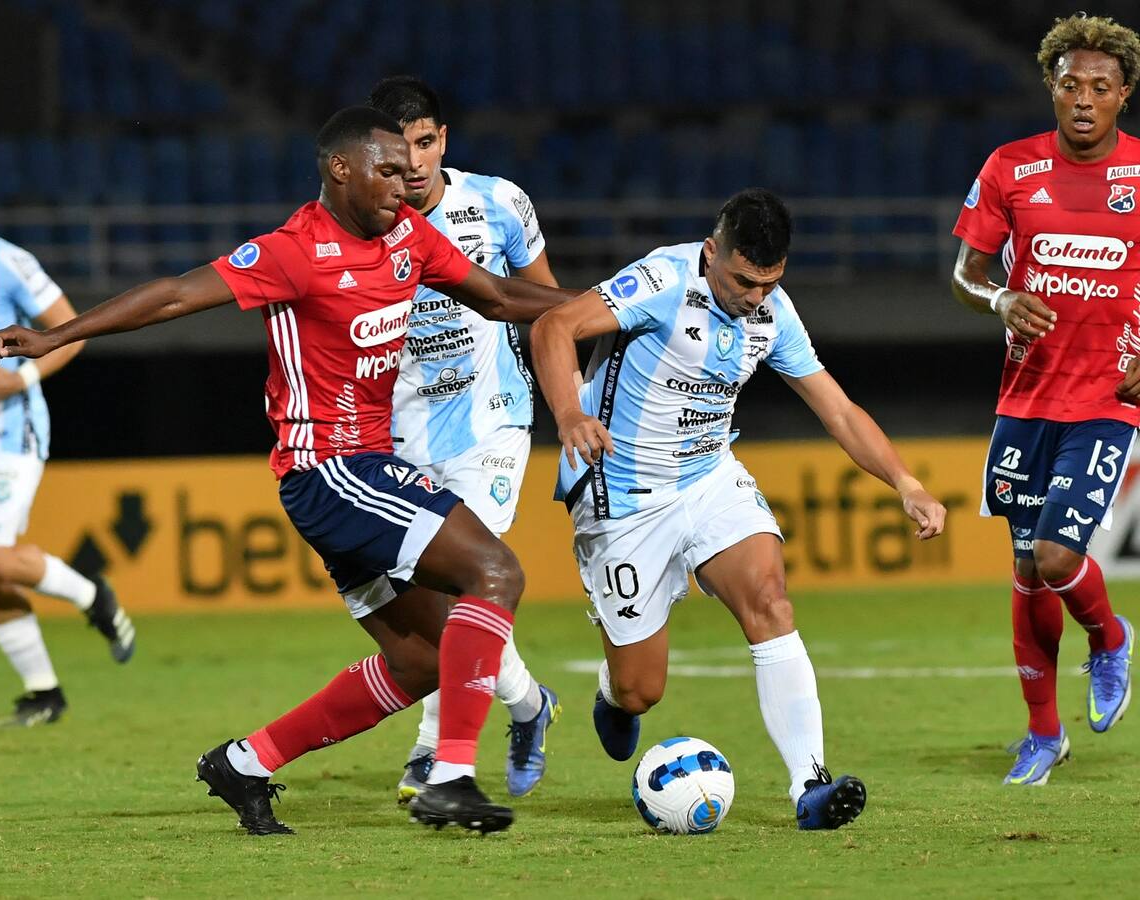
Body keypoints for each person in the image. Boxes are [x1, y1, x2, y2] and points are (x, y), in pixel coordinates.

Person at [0, 107, 575, 835]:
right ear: (341, 169)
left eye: (408, 169)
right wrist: (57, 336)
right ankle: (450, 778)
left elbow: (499, 296)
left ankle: (245, 762)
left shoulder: (406, 236)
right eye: (388, 170)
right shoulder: (295, 251)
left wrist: (607, 309)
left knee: (422, 659)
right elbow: (175, 294)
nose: (405, 183)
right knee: (494, 572)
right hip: (329, 470)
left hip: (364, 469)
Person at [529, 188, 947, 830]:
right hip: (623, 496)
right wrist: (568, 414)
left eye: (769, 283)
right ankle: (615, 697)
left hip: (709, 478)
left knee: (770, 600)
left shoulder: (773, 312)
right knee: (642, 688)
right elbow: (553, 326)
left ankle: (809, 785)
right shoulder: (663, 280)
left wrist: (905, 482)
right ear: (711, 253)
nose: (755, 297)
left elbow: (837, 409)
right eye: (745, 281)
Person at [952, 13, 1139, 787]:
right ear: (1051, 89)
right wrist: (998, 298)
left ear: (1123, 94)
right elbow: (966, 274)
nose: (1084, 99)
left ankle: (1111, 637)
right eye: (1070, 85)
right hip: (1025, 400)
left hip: (1107, 396)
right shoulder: (1010, 167)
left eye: (1100, 86)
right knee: (1028, 568)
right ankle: (1043, 734)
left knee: (1060, 556)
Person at [366, 75, 560, 803]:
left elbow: (549, 309)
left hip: (493, 422)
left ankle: (432, 755)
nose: (414, 162)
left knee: (461, 583)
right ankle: (530, 704)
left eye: (425, 142)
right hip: (399, 435)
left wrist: (572, 410)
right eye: (399, 149)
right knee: (430, 601)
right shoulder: (361, 223)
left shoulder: (501, 203)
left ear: (443, 138)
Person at [0, 142, 135, 724]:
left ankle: (92, 595)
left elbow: (71, 330)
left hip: (9, 428)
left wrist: (17, 380)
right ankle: (44, 692)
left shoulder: (6, 261)